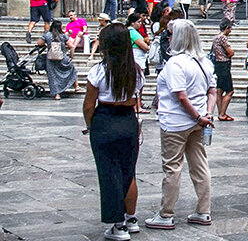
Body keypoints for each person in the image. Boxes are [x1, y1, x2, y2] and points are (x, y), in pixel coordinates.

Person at [144, 20, 215, 230]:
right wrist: (206, 115)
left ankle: (166, 213)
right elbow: (212, 92)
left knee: (172, 167)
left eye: (170, 34)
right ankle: (203, 211)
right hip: (199, 121)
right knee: (200, 165)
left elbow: (181, 97)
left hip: (176, 123)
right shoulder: (204, 62)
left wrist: (197, 117)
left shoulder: (176, 63)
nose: (168, 37)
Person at [83, 23, 144, 241]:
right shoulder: (135, 70)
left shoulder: (98, 70)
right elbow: (137, 99)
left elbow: (89, 104)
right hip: (128, 121)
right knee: (129, 172)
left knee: (109, 173)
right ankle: (131, 218)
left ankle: (118, 225)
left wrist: (90, 125)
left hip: (105, 120)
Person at [40, 19, 79, 100]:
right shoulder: (63, 36)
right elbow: (72, 46)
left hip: (51, 58)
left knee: (53, 76)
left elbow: (39, 43)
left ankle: (57, 95)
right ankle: (76, 86)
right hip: (62, 57)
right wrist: (71, 56)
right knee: (72, 70)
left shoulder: (47, 35)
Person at [210, 19, 236, 121]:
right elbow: (230, 52)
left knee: (219, 90)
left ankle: (221, 112)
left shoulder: (216, 38)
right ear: (227, 28)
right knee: (230, 91)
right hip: (224, 64)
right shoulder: (223, 38)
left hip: (218, 64)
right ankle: (222, 113)